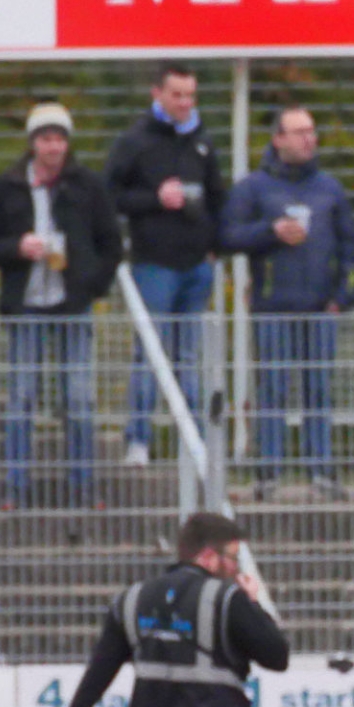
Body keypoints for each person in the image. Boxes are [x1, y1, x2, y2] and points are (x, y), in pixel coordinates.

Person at [0, 102, 124, 510]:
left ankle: (83, 485)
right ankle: (15, 486)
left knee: (79, 398)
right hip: (25, 304)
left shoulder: (87, 186)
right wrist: (17, 247)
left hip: (72, 303)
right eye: (46, 139)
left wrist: (91, 284)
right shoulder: (6, 187)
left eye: (59, 139)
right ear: (32, 143)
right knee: (21, 397)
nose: (53, 147)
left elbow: (111, 244)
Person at [49, 513, 288, 707]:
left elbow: (99, 671)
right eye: (232, 558)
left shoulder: (133, 599)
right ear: (208, 556)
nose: (235, 567)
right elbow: (277, 656)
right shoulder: (228, 599)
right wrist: (253, 603)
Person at [220, 106, 354, 501]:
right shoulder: (254, 187)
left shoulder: (329, 189)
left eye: (311, 131)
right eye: (298, 132)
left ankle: (321, 473)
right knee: (273, 391)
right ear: (278, 138)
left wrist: (342, 298)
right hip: (273, 307)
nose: (308, 139)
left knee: (319, 390)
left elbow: (350, 247)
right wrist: (271, 231)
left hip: (321, 309)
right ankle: (269, 475)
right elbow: (228, 235)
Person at [106, 62, 226, 465]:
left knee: (188, 357)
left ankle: (192, 444)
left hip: (197, 265)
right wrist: (154, 199)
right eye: (177, 95)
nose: (185, 103)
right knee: (149, 354)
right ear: (157, 93)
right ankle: (138, 440)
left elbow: (217, 197)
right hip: (154, 264)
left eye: (190, 95)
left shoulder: (202, 141)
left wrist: (214, 245)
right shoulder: (134, 141)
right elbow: (109, 196)